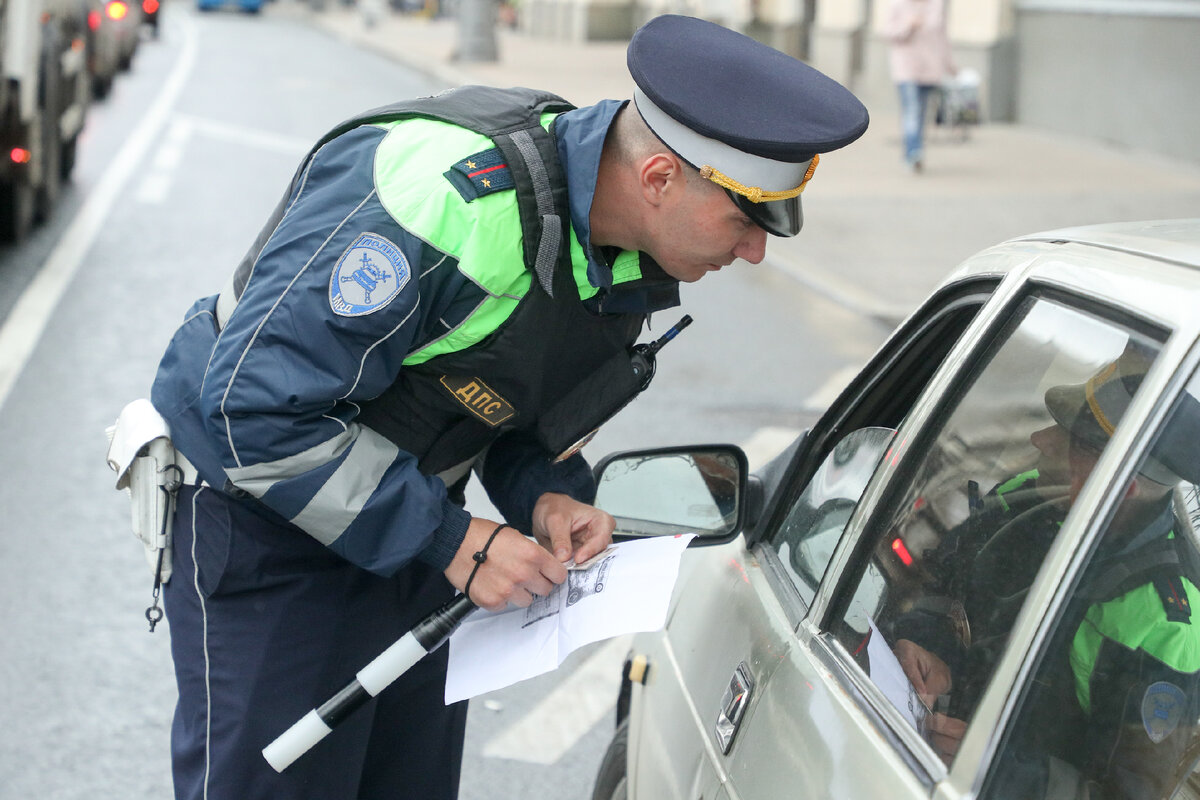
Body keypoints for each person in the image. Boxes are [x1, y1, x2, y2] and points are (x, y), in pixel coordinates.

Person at [144, 13, 868, 800]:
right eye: (744, 219)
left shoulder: (625, 240)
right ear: (659, 178)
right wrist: (455, 540)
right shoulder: (439, 197)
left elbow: (498, 402)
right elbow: (251, 411)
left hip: (417, 529)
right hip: (271, 528)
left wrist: (543, 495)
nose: (756, 251)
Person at [895, 353, 1200, 798]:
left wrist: (997, 773)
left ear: (1117, 486)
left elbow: (1130, 794)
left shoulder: (1166, 626)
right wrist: (932, 652)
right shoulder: (1024, 502)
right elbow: (940, 595)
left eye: (1072, 439)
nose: (1041, 439)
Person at [884, 0, 957, 172]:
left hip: (930, 68)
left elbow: (942, 37)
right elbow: (888, 33)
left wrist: (950, 64)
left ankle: (913, 151)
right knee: (912, 110)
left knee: (922, 114)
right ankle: (914, 152)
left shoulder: (937, 4)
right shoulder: (898, 4)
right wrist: (908, 26)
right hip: (906, 68)